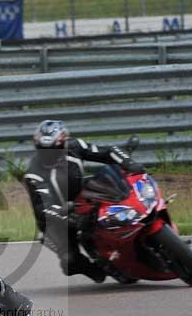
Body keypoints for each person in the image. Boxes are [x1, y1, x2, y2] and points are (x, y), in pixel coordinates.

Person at [24, 120, 144, 283]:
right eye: (44, 150)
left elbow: (107, 152)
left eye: (53, 149)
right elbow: (42, 209)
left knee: (116, 196)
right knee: (70, 261)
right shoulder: (33, 174)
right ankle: (97, 269)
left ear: (63, 142)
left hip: (80, 196)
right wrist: (66, 217)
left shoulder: (74, 147)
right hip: (55, 220)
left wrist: (129, 163)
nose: (49, 154)